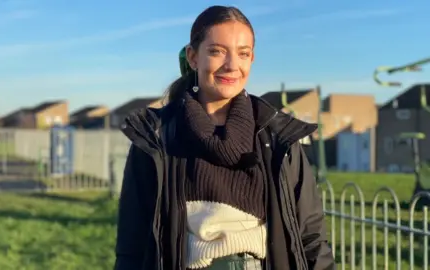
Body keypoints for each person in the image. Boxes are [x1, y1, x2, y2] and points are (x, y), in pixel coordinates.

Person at [115, 5, 335, 270]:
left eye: (243, 53)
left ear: (252, 59)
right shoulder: (156, 136)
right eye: (217, 51)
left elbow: (311, 238)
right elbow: (133, 243)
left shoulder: (278, 136)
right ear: (193, 57)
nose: (232, 65)